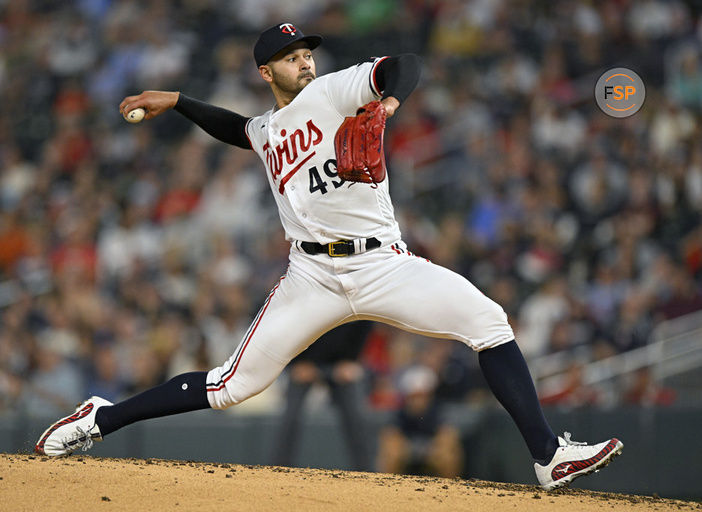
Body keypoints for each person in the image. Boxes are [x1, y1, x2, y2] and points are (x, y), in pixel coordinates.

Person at [35, 22, 623, 490]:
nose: (305, 61)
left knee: (490, 322)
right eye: (292, 58)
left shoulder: (333, 89)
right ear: (267, 71)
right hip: (311, 275)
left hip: (382, 264)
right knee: (230, 387)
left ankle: (547, 456)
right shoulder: (268, 129)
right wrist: (182, 101)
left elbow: (404, 65)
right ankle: (99, 418)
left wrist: (389, 103)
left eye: (307, 52)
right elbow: (240, 130)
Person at [271, 321, 373, 471]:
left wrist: (352, 359)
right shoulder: (308, 297)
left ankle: (367, 474)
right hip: (305, 361)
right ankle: (278, 469)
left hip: (341, 363)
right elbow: (291, 324)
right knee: (289, 415)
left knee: (357, 416)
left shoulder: (355, 298)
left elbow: (365, 321)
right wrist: (295, 361)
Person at [376, 364, 463, 479]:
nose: (417, 401)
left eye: (421, 396)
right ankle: (387, 488)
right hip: (406, 450)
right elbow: (390, 435)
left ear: (430, 395)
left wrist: (435, 448)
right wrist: (402, 448)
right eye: (413, 397)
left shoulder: (439, 411)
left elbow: (448, 435)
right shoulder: (400, 413)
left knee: (448, 454)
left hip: (433, 451)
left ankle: (451, 491)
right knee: (391, 451)